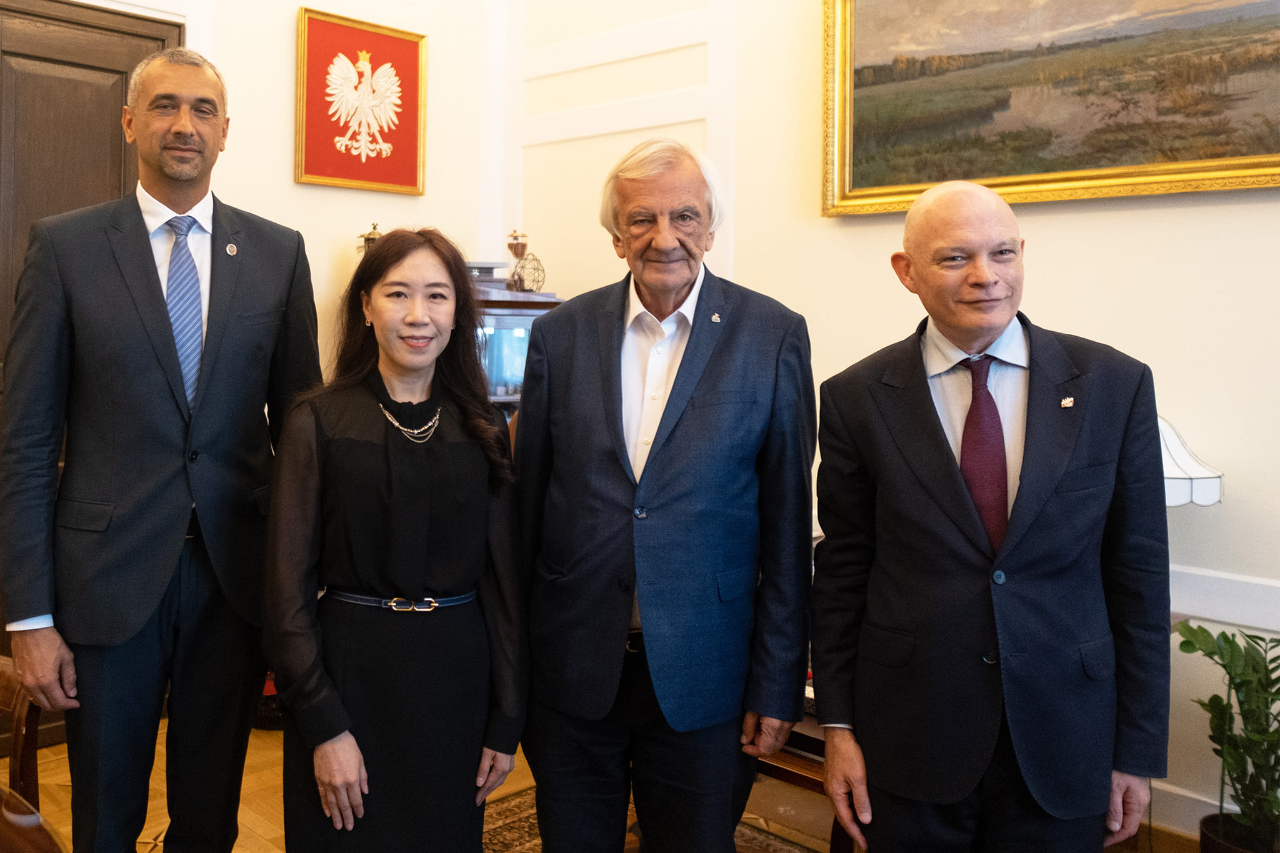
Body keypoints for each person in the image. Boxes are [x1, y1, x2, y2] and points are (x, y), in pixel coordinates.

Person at [0, 48, 321, 852]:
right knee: (106, 817)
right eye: (165, 106)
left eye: (203, 109)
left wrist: (303, 583)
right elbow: (26, 442)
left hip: (233, 584)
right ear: (129, 122)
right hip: (103, 586)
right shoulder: (66, 248)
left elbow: (302, 434)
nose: (185, 125)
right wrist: (28, 616)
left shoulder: (278, 253)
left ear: (225, 131)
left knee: (209, 817)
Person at [811, 180, 1170, 851]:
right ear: (906, 271)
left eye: (1003, 252)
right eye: (955, 258)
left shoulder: (1113, 385)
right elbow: (842, 572)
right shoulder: (857, 396)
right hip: (907, 738)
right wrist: (837, 726)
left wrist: (1136, 748)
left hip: (1066, 736)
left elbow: (1139, 578)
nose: (986, 276)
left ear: (1022, 253)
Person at [514, 139, 816, 853]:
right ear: (616, 236)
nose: (664, 236)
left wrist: (776, 685)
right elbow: (526, 515)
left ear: (711, 228)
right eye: (641, 218)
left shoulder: (772, 335)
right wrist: (512, 670)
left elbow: (785, 527)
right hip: (572, 668)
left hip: (706, 677)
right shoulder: (559, 335)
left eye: (685, 216)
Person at [263, 227, 525, 851]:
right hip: (349, 680)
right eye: (397, 293)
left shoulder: (484, 426)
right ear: (365, 306)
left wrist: (507, 717)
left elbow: (504, 587)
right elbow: (284, 591)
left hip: (456, 684)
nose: (417, 315)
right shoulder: (316, 420)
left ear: (457, 312)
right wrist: (324, 725)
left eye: (437, 295)